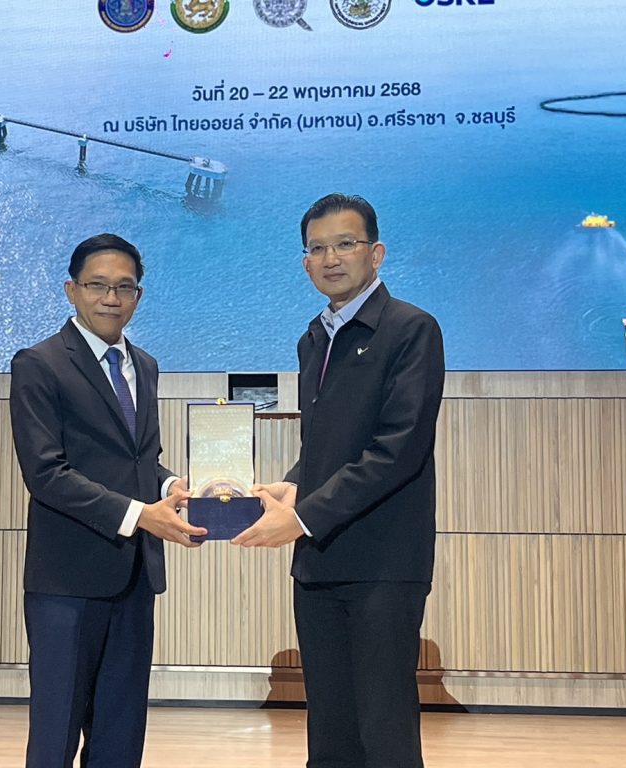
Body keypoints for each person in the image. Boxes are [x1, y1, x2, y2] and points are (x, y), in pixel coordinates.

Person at [232, 194, 445, 768]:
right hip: (320, 559)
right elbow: (325, 445)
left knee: (383, 730)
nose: (331, 258)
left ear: (376, 253)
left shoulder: (411, 329)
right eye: (317, 248)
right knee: (329, 729)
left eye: (345, 244)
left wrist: (302, 515)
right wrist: (293, 486)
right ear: (305, 262)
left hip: (383, 563)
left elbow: (397, 449)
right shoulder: (314, 338)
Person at [9, 233, 206, 768]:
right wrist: (140, 514)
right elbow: (45, 474)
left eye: (124, 287)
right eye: (98, 286)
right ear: (71, 290)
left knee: (120, 736)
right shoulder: (39, 363)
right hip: (66, 582)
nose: (111, 298)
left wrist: (170, 487)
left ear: (139, 295)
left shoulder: (145, 365)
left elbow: (141, 459)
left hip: (135, 578)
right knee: (55, 736)